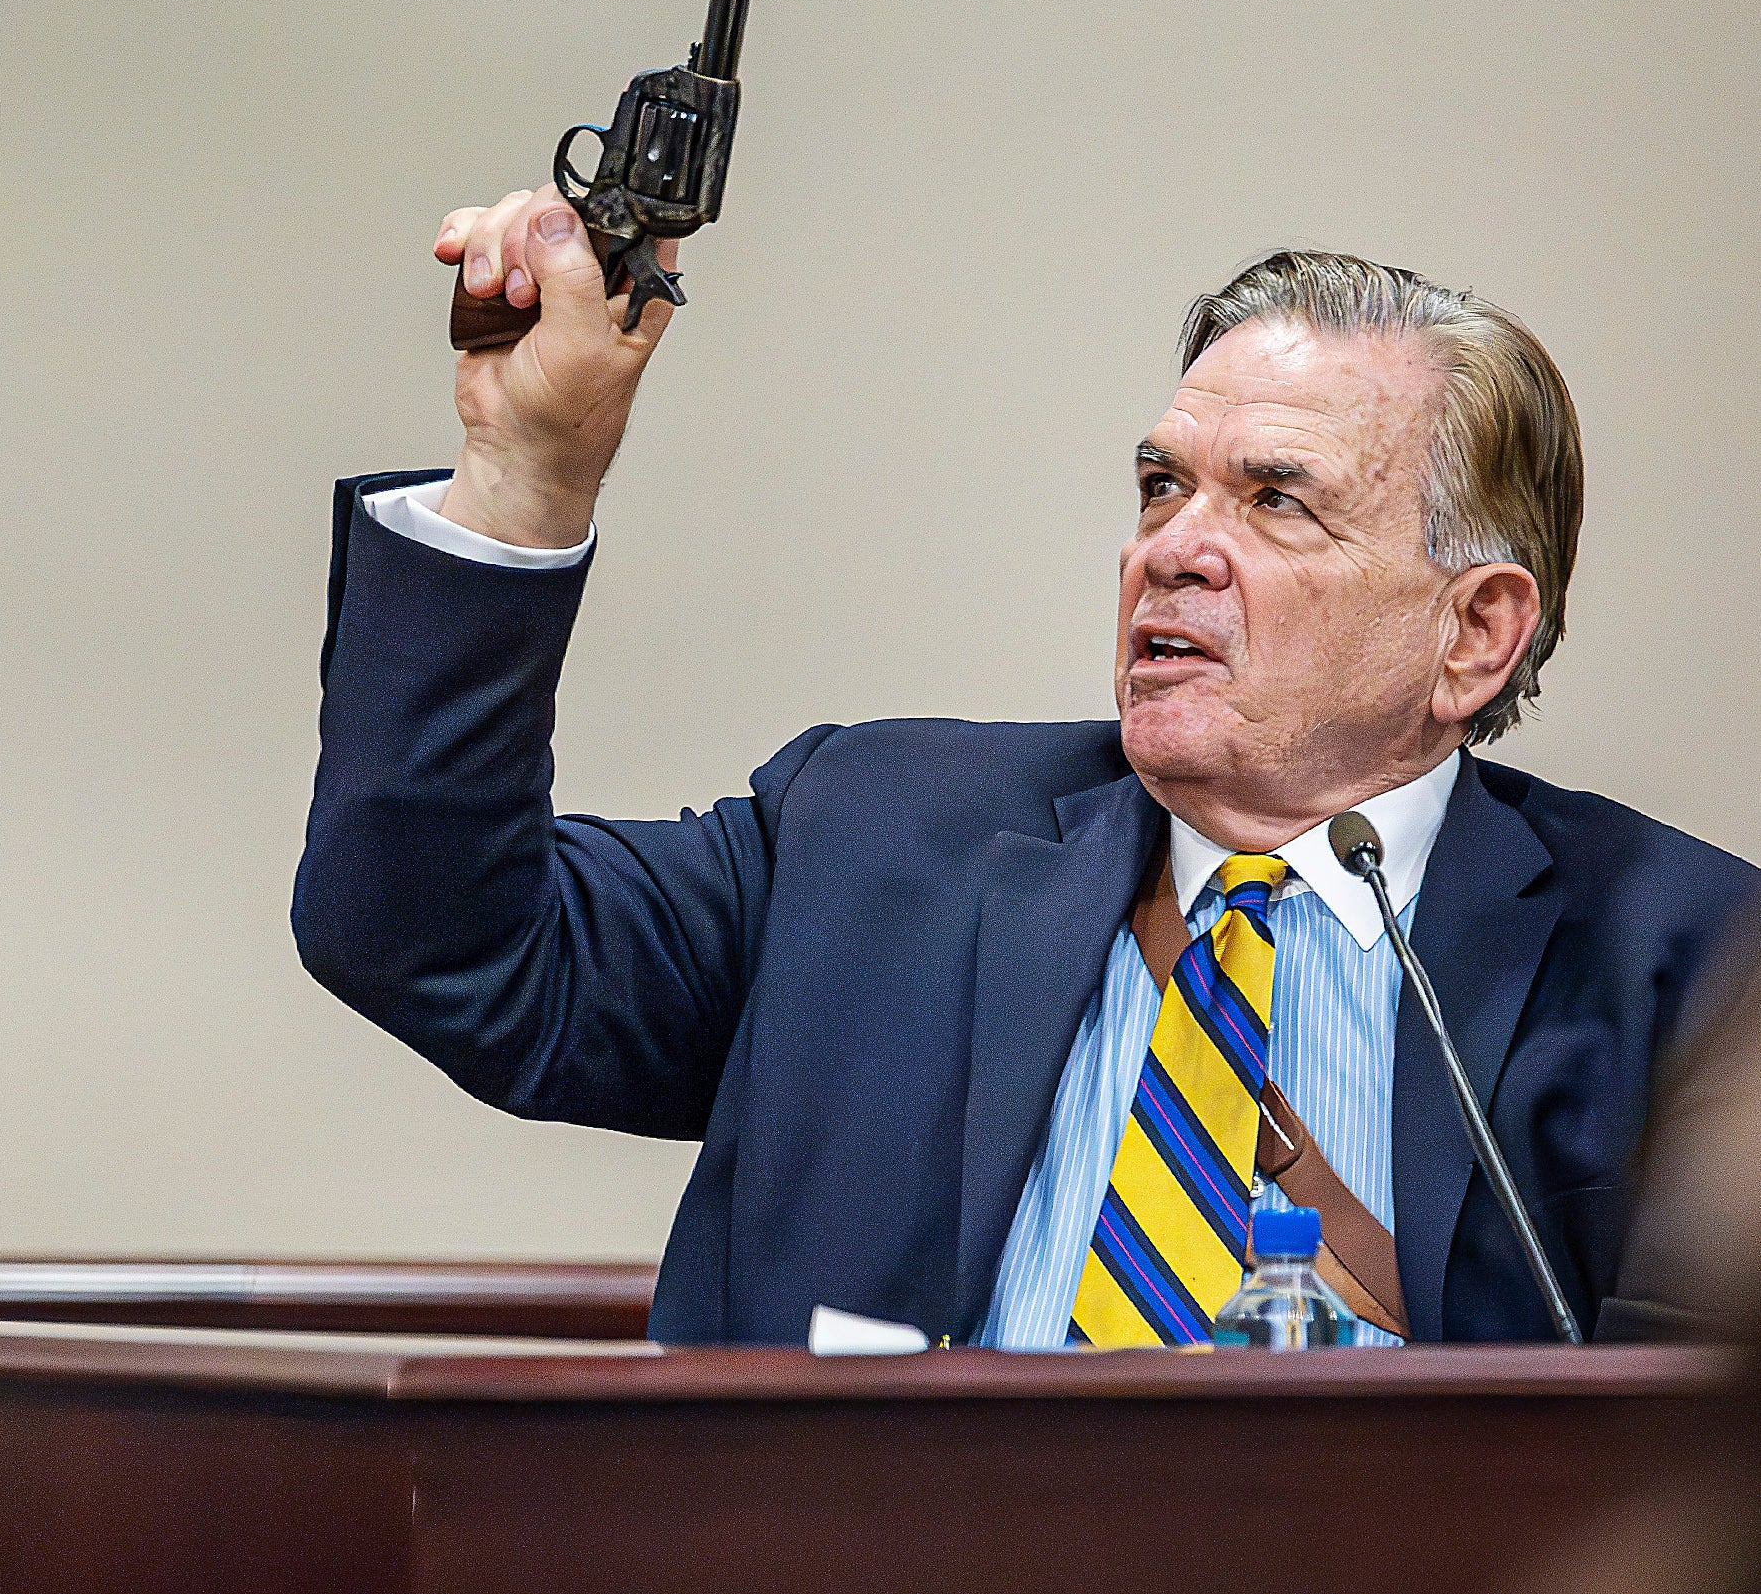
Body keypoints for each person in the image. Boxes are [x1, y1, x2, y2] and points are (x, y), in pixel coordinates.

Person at [292, 189, 1755, 1347]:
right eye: (1162, 485)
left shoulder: (1689, 977)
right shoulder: (867, 842)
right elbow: (434, 935)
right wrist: (525, 479)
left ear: (1474, 634)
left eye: (1278, 501)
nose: (1174, 546)